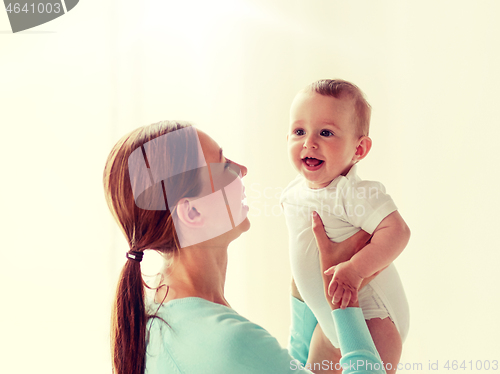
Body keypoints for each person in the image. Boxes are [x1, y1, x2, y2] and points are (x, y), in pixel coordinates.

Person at [103, 120, 388, 374]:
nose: (242, 170)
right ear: (192, 213)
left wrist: (309, 304)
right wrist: (344, 303)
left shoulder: (156, 312)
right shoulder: (225, 342)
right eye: (224, 165)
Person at [281, 79, 411, 373]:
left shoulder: (353, 191)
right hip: (329, 322)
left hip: (373, 318)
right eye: (299, 131)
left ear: (359, 148)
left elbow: (398, 231)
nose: (309, 142)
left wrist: (355, 271)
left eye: (326, 133)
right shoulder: (294, 191)